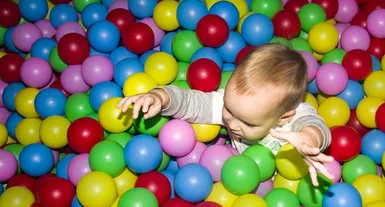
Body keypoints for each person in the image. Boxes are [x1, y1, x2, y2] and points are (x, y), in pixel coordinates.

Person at [117, 44, 333, 185]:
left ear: (283, 118)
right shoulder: (231, 106)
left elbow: (315, 125)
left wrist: (308, 140)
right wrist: (160, 97)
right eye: (229, 110)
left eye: (248, 123)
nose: (233, 124)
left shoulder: (293, 121)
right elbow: (191, 101)